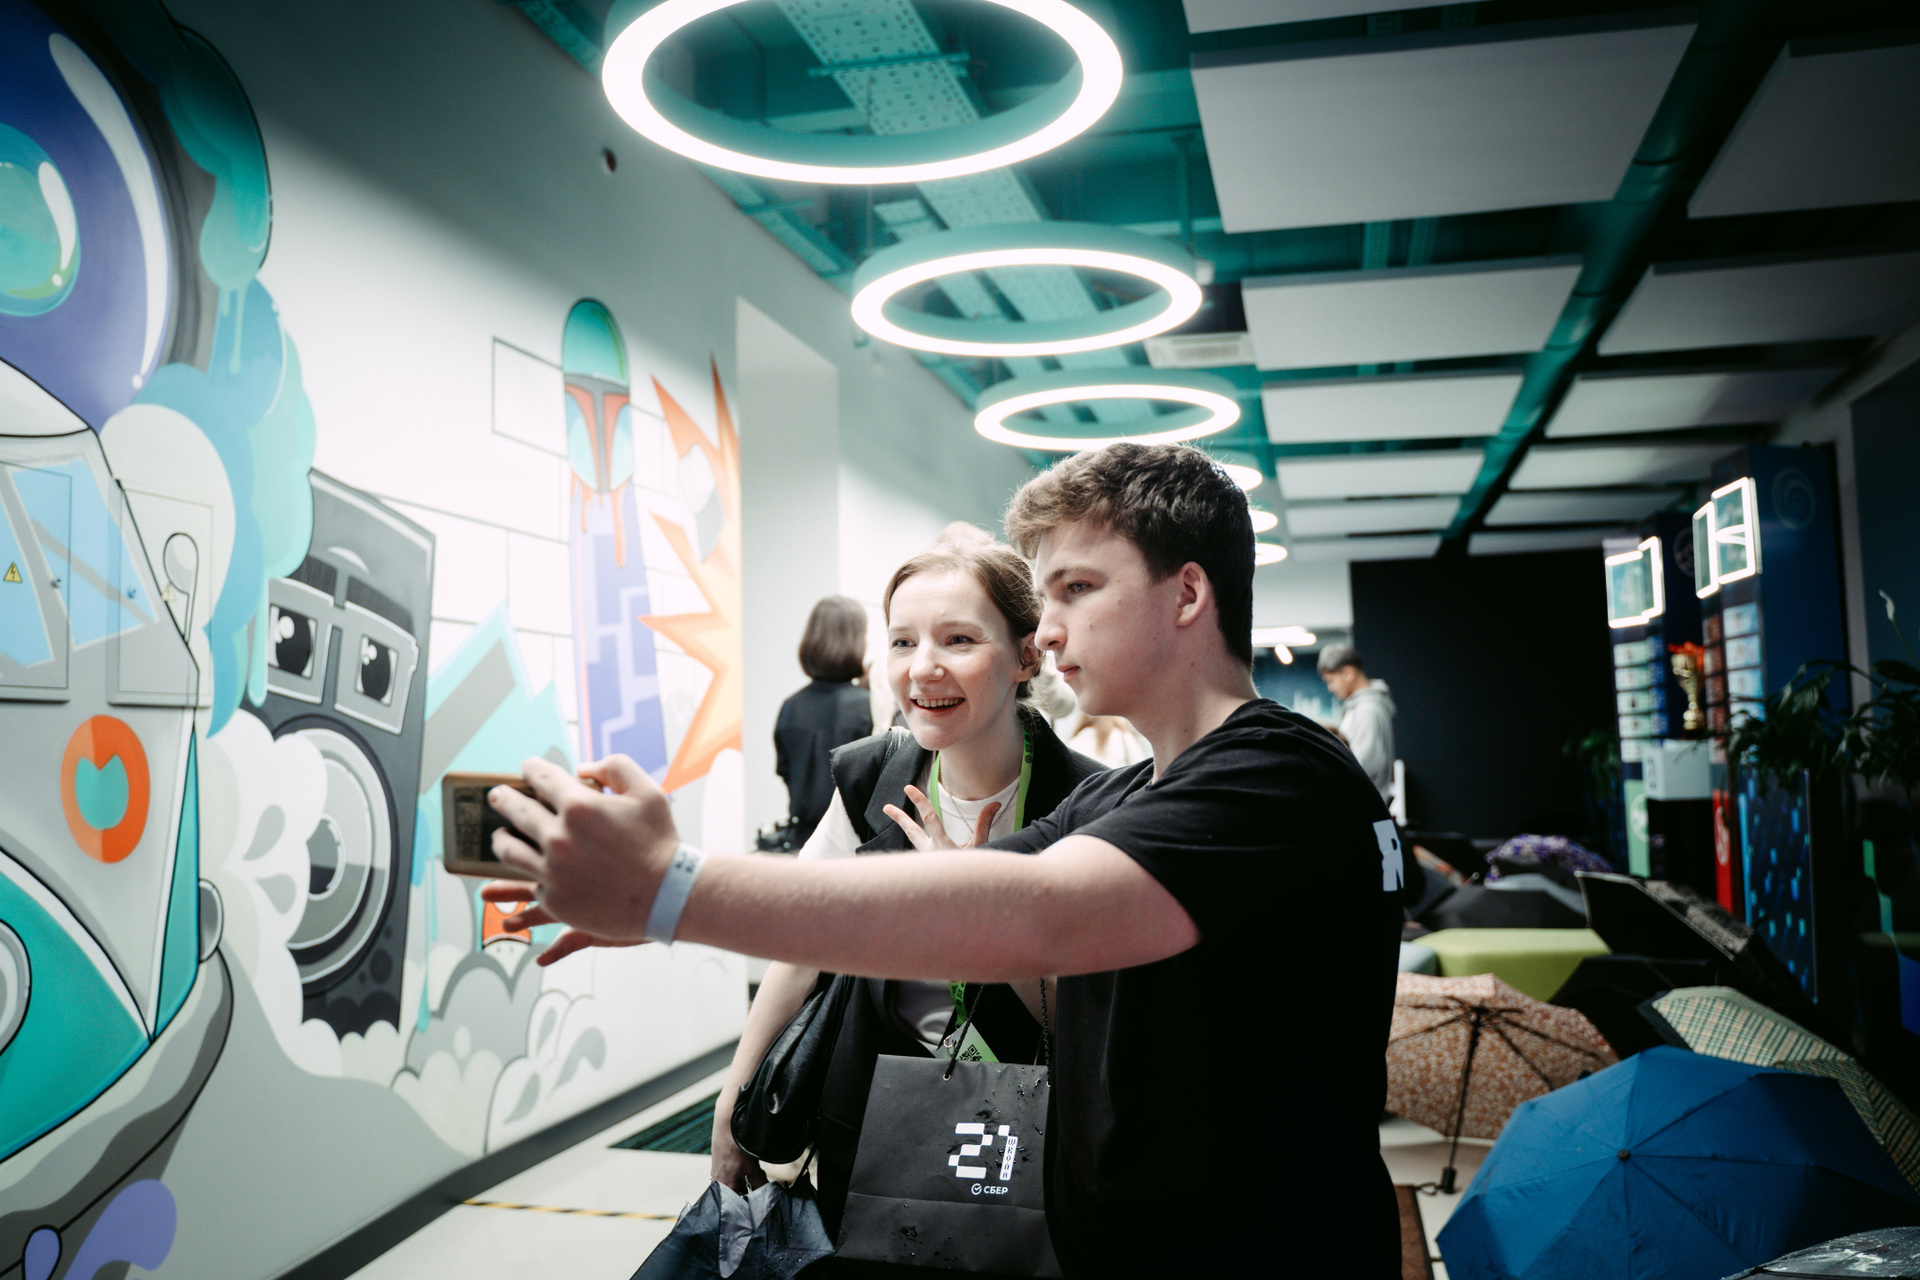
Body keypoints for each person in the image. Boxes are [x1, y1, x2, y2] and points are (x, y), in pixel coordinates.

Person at [482, 443, 1405, 1275]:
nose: (1050, 630)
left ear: (1188, 594)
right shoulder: (1123, 797)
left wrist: (669, 891)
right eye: (1045, 600)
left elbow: (1037, 912)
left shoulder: (1277, 778)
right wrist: (664, 902)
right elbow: (925, 905)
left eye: (1078, 589)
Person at [714, 535, 1104, 1234]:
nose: (923, 667)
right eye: (902, 642)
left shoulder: (1086, 801)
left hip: (1032, 1129)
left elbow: (1088, 1020)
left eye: (958, 639)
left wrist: (977, 915)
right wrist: (733, 1098)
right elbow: (801, 947)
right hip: (872, 1122)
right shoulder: (872, 780)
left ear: (1025, 656)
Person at [773, 597, 873, 845]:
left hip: (802, 843)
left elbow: (785, 771)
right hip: (856, 844)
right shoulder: (868, 706)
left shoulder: (790, 707)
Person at [1319, 641, 1397, 804]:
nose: (1330, 688)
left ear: (1348, 673)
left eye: (1331, 680)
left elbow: (1361, 767)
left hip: (1364, 807)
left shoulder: (1366, 710)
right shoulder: (1362, 706)